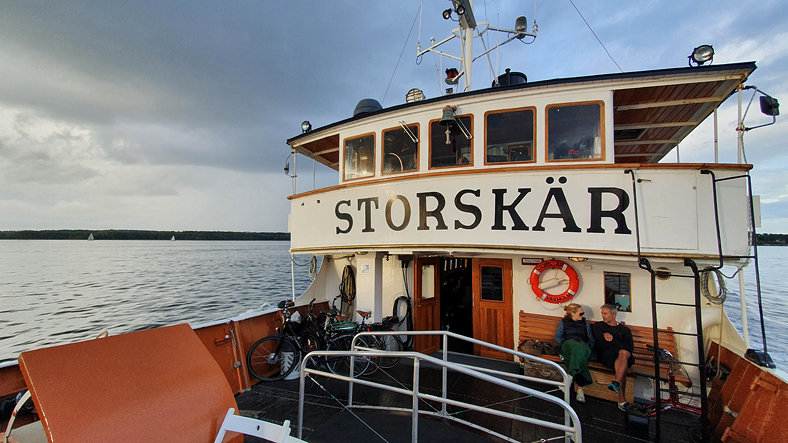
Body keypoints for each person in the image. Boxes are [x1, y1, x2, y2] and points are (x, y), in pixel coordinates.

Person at [592, 304, 635, 411]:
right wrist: (616, 343)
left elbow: (630, 347)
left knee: (623, 354)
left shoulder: (624, 330)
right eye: (602, 313)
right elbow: (601, 342)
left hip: (624, 355)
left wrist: (612, 339)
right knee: (622, 363)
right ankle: (620, 395)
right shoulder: (599, 326)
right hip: (608, 355)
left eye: (605, 314)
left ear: (614, 315)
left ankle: (617, 384)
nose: (603, 316)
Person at [554, 303, 595, 403]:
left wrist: (585, 346)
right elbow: (558, 338)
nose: (583, 316)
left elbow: (591, 341)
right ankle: (580, 389)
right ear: (573, 313)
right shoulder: (563, 323)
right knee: (580, 356)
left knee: (579, 349)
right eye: (581, 314)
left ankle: (569, 377)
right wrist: (568, 343)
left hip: (583, 348)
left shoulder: (585, 325)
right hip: (569, 347)